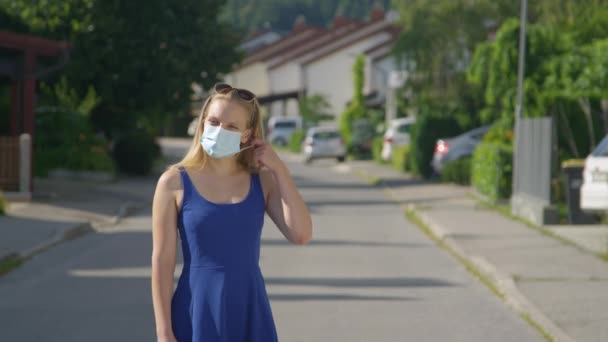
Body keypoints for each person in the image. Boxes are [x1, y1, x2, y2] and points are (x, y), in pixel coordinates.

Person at [151, 83, 313, 342]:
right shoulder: (173, 182)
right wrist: (164, 331)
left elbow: (301, 234)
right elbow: (162, 262)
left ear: (247, 136)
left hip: (249, 306)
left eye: (231, 127)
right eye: (213, 121)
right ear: (202, 122)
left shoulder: (263, 182)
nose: (219, 131)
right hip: (196, 307)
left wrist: (279, 169)